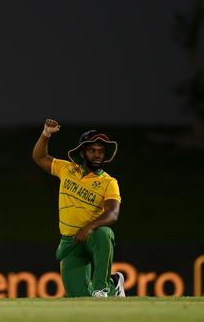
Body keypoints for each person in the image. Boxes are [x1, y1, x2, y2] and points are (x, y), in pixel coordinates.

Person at [32, 119, 126, 297]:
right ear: (82, 153)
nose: (97, 155)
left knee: (104, 232)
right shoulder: (67, 169)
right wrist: (46, 134)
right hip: (70, 241)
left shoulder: (108, 182)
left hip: (92, 237)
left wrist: (89, 227)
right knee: (79, 296)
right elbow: (39, 157)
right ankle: (115, 285)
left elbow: (113, 214)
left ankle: (102, 287)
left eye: (101, 151)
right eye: (92, 150)